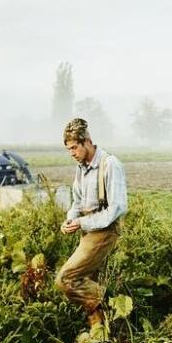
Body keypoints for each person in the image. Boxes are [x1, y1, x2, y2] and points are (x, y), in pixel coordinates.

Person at [56, 118, 127, 329]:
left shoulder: (110, 164)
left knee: (66, 279)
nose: (72, 153)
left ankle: (112, 305)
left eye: (75, 147)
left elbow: (116, 209)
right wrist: (70, 219)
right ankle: (101, 332)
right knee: (86, 280)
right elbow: (77, 202)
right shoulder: (81, 167)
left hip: (104, 230)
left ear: (88, 141)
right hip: (87, 230)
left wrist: (81, 222)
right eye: (69, 149)